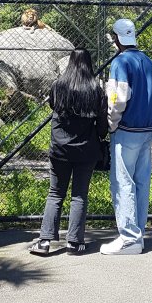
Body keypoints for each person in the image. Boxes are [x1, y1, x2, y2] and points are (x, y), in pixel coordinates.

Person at [30, 49, 108, 256]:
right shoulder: (96, 89)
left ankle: (44, 241)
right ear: (89, 64)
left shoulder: (58, 86)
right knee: (79, 195)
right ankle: (74, 242)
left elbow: (53, 106)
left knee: (55, 193)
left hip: (60, 149)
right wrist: (100, 135)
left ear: (70, 63)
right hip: (86, 149)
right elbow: (102, 124)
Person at [101, 18, 152, 256]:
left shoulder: (120, 62)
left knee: (123, 182)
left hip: (127, 130)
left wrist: (111, 123)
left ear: (116, 38)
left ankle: (129, 237)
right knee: (141, 182)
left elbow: (118, 98)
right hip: (148, 130)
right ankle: (138, 233)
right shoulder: (149, 62)